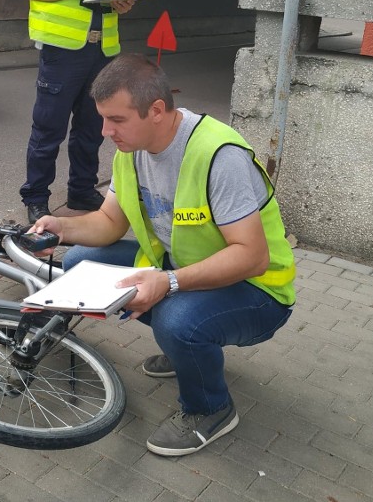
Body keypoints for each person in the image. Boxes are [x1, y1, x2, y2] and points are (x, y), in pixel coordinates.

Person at [30, 54, 297, 456]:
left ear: (156, 110)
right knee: (79, 261)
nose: (105, 131)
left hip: (258, 292)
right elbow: (108, 223)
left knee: (177, 320)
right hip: (191, 268)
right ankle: (187, 349)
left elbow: (253, 257)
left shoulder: (218, 155)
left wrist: (169, 282)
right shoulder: (131, 150)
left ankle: (209, 408)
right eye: (102, 118)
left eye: (116, 120)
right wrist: (61, 227)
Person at [18, 0, 138, 224]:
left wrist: (122, 2)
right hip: (62, 52)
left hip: (102, 52)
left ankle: (82, 190)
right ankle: (36, 197)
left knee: (92, 128)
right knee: (48, 129)